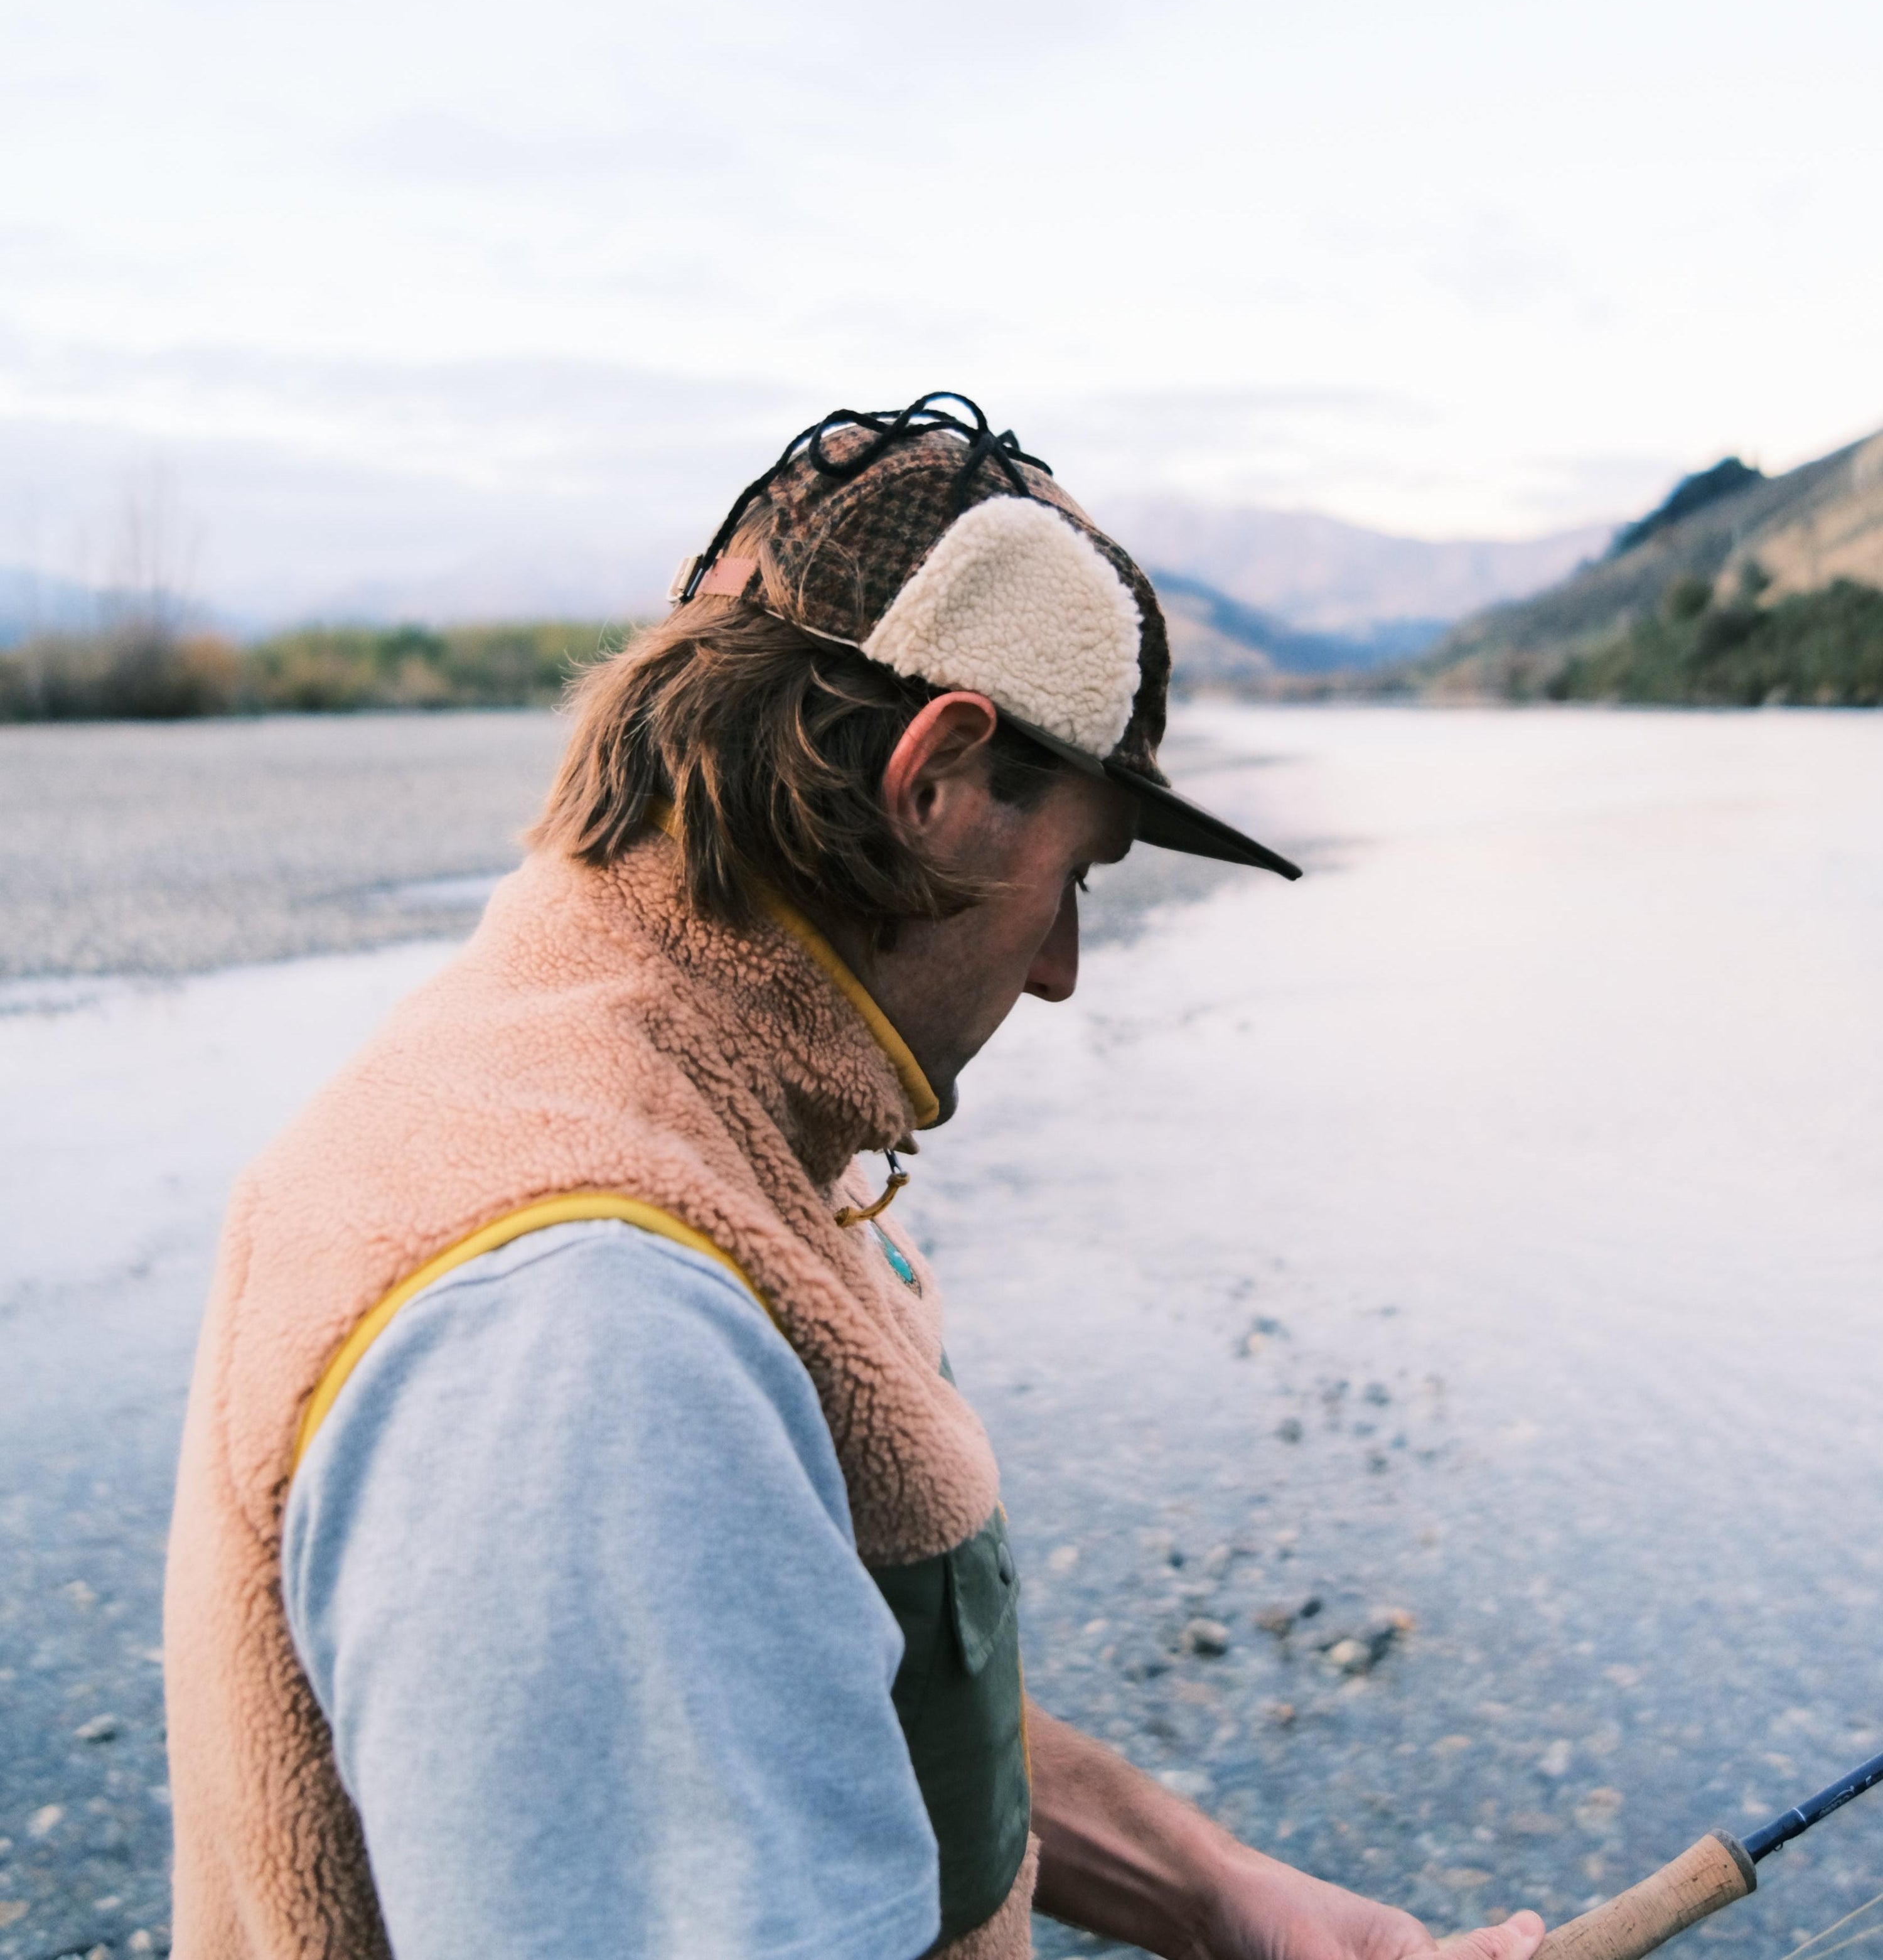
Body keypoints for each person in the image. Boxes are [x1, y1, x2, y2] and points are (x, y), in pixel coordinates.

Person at [164, 397, 1547, 1960]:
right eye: (1077, 880)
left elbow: (817, 1683)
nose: (1065, 971)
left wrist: (1238, 1902)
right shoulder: (591, 1323)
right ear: (938, 781)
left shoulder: (631, 1107)